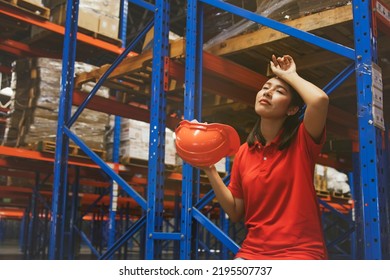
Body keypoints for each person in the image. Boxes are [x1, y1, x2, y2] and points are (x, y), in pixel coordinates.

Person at [201, 54, 329, 260]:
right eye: (265, 87)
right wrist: (209, 169)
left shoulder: (302, 141)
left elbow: (320, 100)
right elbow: (235, 211)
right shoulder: (244, 151)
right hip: (253, 251)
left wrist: (290, 75)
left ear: (292, 109)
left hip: (299, 252)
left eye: (279, 91)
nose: (268, 93)